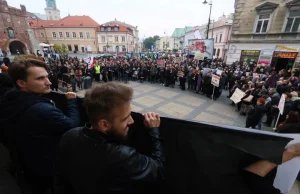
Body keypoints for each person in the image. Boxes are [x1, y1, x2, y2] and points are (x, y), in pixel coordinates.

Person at [55, 83, 165, 194]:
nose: (132, 121)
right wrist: (154, 131)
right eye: (125, 118)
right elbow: (158, 170)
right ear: (104, 125)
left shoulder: (69, 136)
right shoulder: (121, 156)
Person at [0, 57, 81, 194]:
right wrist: (72, 102)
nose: (48, 82)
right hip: (47, 169)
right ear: (21, 83)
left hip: (26, 166)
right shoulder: (42, 109)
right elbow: (73, 126)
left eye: (47, 77)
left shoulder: (9, 99)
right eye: (40, 79)